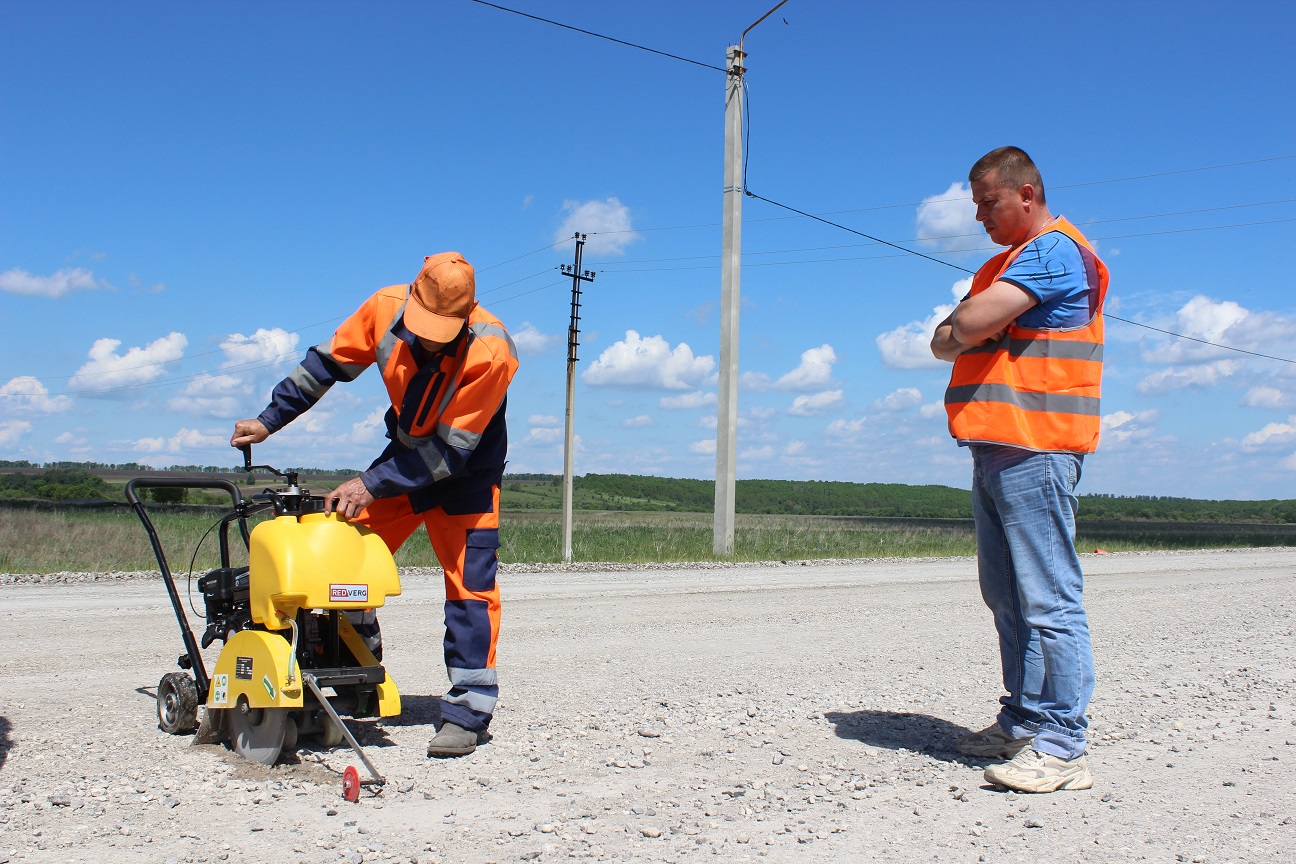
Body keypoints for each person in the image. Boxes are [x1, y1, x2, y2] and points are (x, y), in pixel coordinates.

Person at [231, 252, 519, 758]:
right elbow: (325, 365)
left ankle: (468, 712)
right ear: (411, 298)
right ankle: (355, 660)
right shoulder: (385, 308)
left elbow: (451, 452)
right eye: (424, 326)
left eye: (443, 330)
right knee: (340, 549)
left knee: (470, 590)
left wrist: (371, 483)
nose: (430, 338)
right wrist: (269, 420)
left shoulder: (492, 350)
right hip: (403, 462)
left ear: (467, 314)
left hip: (465, 476)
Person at [930, 147, 1108, 793]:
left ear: (1025, 191)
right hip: (997, 445)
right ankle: (1023, 722)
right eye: (976, 205)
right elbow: (943, 337)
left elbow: (966, 323)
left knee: (1049, 600)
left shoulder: (1054, 251)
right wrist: (965, 329)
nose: (980, 217)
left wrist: (971, 326)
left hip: (1038, 446)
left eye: (989, 203)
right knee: (1006, 597)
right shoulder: (1006, 263)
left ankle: (1063, 747)